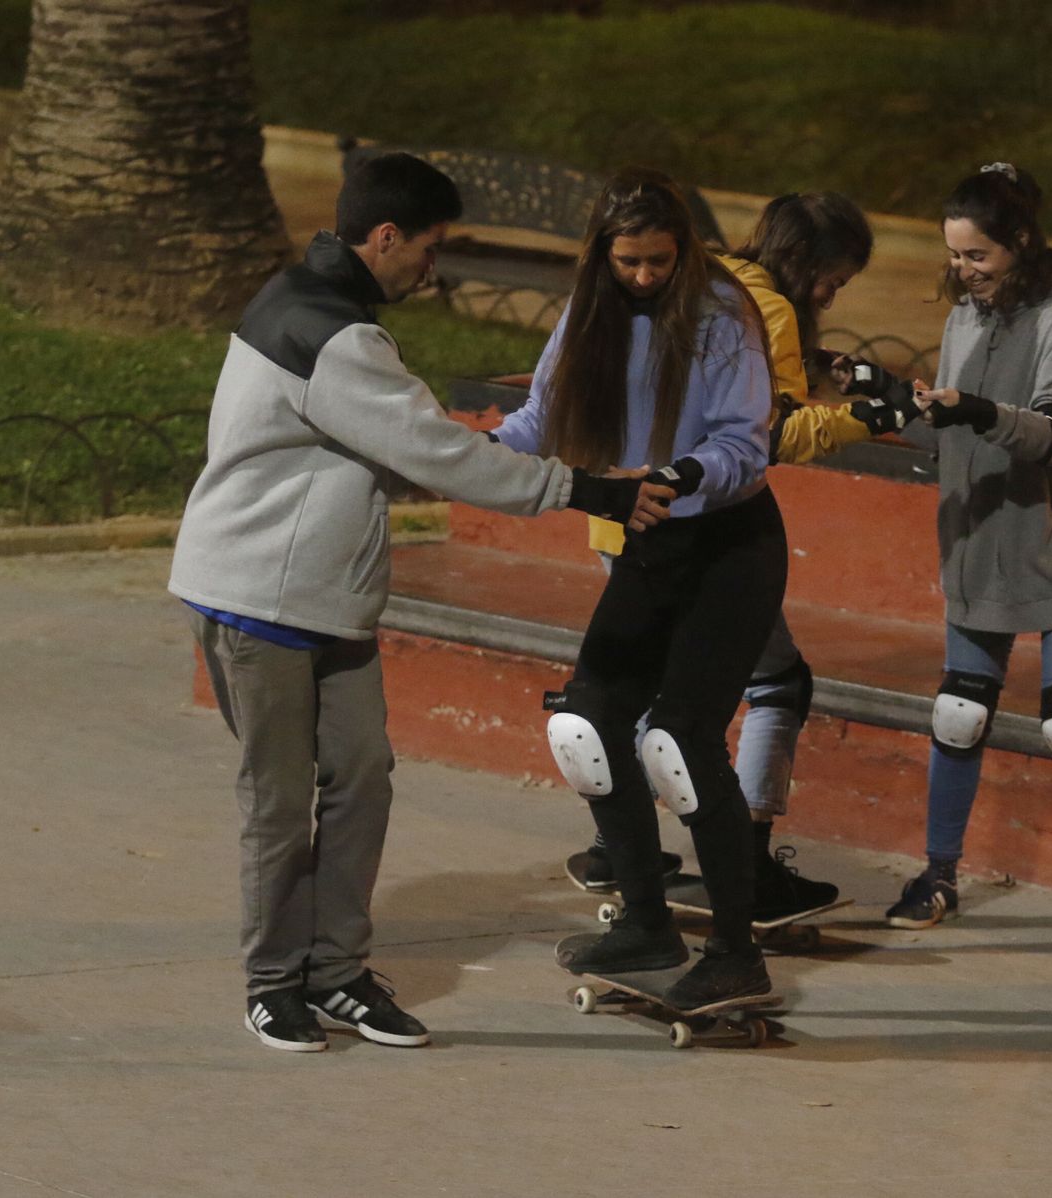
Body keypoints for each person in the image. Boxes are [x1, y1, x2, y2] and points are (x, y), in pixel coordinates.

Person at [169, 152, 674, 1053]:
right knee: (280, 804)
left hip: (328, 604)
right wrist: (588, 491)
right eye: (429, 249)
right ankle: (274, 982)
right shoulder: (331, 334)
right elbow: (440, 454)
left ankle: (335, 972)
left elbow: (419, 438)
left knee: (362, 780)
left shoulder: (312, 302)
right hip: (256, 601)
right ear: (386, 237)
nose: (432, 270)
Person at [570, 191, 917, 918]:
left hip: (617, 520)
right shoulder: (768, 311)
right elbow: (772, 434)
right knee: (774, 685)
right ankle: (749, 864)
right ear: (806, 263)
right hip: (698, 526)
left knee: (630, 692)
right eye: (835, 280)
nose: (831, 293)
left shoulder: (707, 284)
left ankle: (618, 850)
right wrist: (875, 417)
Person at [492, 167, 787, 1006]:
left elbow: (744, 444)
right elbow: (536, 422)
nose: (647, 278)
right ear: (602, 255)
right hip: (650, 541)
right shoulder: (589, 314)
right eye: (630, 262)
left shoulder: (722, 314)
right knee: (585, 724)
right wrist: (457, 458)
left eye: (660, 261)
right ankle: (646, 923)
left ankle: (737, 953)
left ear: (684, 250)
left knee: (681, 742)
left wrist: (680, 471)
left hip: (730, 543)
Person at [855, 162, 1052, 948]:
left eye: (976, 256)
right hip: (979, 543)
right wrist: (887, 405)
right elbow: (949, 425)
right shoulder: (965, 319)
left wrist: (977, 410)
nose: (963, 271)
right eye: (955, 256)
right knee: (957, 714)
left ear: (1020, 242)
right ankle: (938, 874)